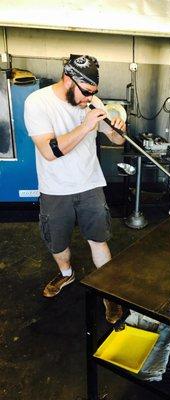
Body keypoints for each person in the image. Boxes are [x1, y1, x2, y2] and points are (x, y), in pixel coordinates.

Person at [24, 55, 125, 323]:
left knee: (98, 238)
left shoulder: (92, 101)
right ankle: (67, 275)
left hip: (89, 182)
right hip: (55, 188)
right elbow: (50, 151)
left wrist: (117, 130)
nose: (88, 99)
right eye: (86, 93)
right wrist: (85, 125)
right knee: (57, 243)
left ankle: (109, 293)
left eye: (94, 93)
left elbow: (112, 137)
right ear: (69, 80)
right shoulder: (38, 102)